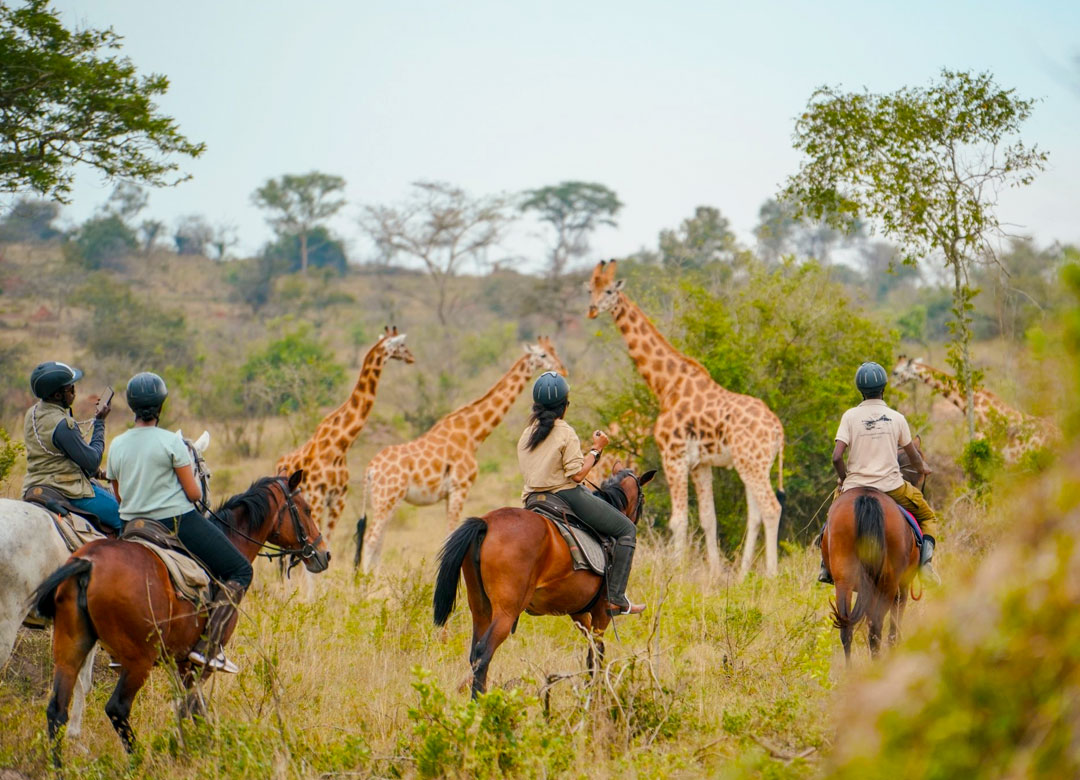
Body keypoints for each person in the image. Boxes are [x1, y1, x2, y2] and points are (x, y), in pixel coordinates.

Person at [105, 372, 253, 673]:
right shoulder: (172, 441)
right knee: (241, 569)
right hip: (175, 521)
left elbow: (118, 495)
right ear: (161, 405)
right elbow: (194, 493)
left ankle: (118, 648)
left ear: (132, 406)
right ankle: (210, 647)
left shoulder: (117, 444)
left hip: (133, 526)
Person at [517, 371, 645, 616]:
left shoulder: (526, 434)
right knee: (627, 530)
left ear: (536, 406)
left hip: (532, 500)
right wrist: (596, 451)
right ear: (564, 406)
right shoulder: (565, 432)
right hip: (565, 496)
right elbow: (576, 476)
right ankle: (616, 598)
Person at [819, 361, 939, 585]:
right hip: (891, 487)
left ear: (860, 390)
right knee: (928, 517)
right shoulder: (897, 418)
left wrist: (844, 479)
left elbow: (836, 457)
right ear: (883, 388)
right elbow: (913, 457)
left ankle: (826, 567)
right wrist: (923, 467)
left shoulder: (849, 416)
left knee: (831, 521)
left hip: (854, 486)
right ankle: (925, 567)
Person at [22, 361, 122, 533]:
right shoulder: (63, 424)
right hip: (66, 488)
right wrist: (99, 423)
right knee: (124, 517)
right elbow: (92, 460)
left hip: (34, 484)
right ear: (58, 396)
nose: (74, 392)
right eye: (71, 389)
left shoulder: (32, 412)